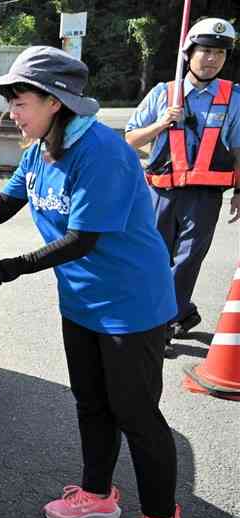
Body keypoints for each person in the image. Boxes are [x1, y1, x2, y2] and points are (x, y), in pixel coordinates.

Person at [0, 46, 180, 518]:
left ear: (54, 101)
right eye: (11, 102)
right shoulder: (37, 153)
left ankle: (160, 515)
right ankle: (97, 495)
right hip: (81, 302)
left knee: (135, 413)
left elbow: (81, 239)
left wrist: (6, 269)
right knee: (91, 403)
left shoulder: (101, 152)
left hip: (131, 304)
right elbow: (0, 207)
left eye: (20, 101)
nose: (13, 112)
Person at [125, 17, 240, 354]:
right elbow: (131, 138)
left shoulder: (233, 97)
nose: (212, 59)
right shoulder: (163, 93)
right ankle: (182, 312)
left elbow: (238, 148)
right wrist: (162, 123)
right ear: (188, 53)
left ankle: (159, 328)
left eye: (219, 53)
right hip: (160, 191)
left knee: (187, 260)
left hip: (204, 197)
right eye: (205, 51)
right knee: (154, 259)